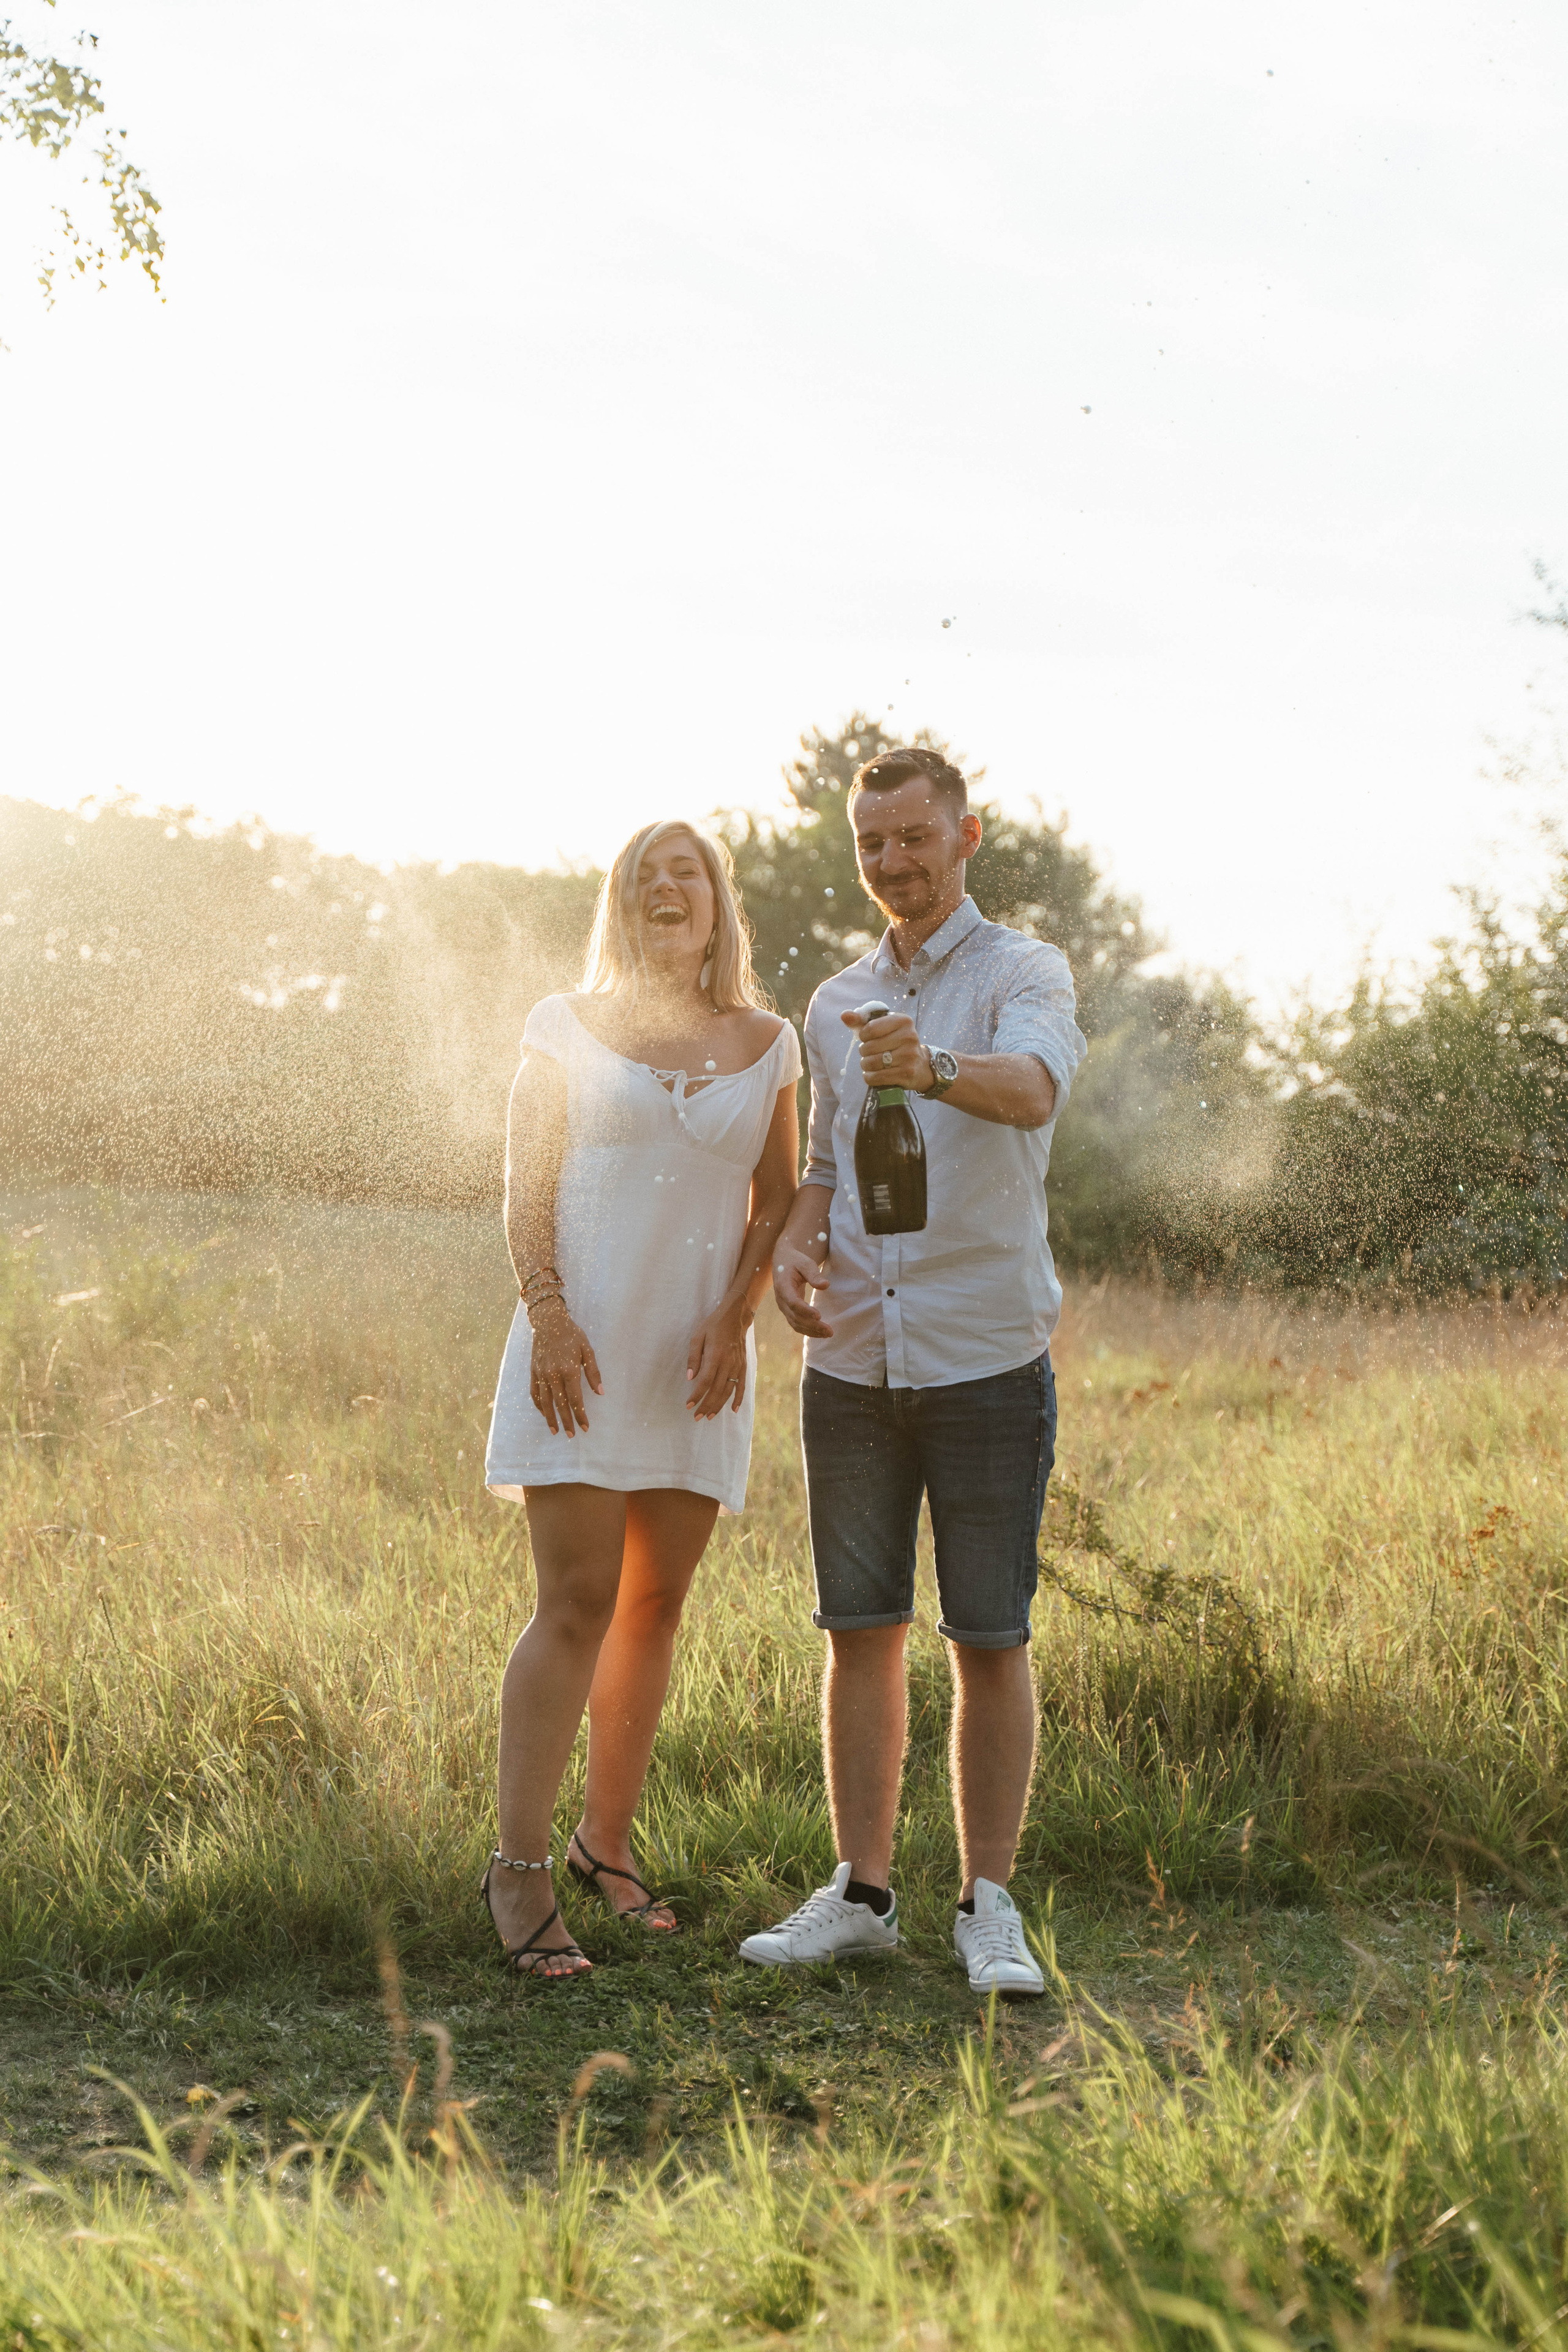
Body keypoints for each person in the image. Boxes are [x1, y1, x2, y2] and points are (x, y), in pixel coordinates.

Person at [739, 745, 1086, 1995]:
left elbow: (1035, 1089)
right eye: (869, 844)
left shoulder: (1022, 972)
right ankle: (863, 1894)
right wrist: (790, 1253)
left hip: (985, 1353)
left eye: (911, 838)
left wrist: (931, 1067)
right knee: (858, 1630)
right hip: (849, 1364)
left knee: (987, 1634)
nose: (892, 863)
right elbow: (828, 1167)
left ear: (964, 836)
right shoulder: (831, 998)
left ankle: (986, 1905)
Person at [482, 820, 800, 1980]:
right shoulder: (563, 1027)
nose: (669, 891)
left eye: (690, 876)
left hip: (697, 1361)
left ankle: (601, 1847)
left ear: (720, 907)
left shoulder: (770, 1041)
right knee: (575, 1600)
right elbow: (528, 1183)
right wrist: (548, 1314)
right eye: (645, 878)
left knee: (654, 1607)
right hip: (581, 1347)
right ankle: (516, 1876)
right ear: (620, 905)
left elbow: (776, 1197)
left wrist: (737, 1314)